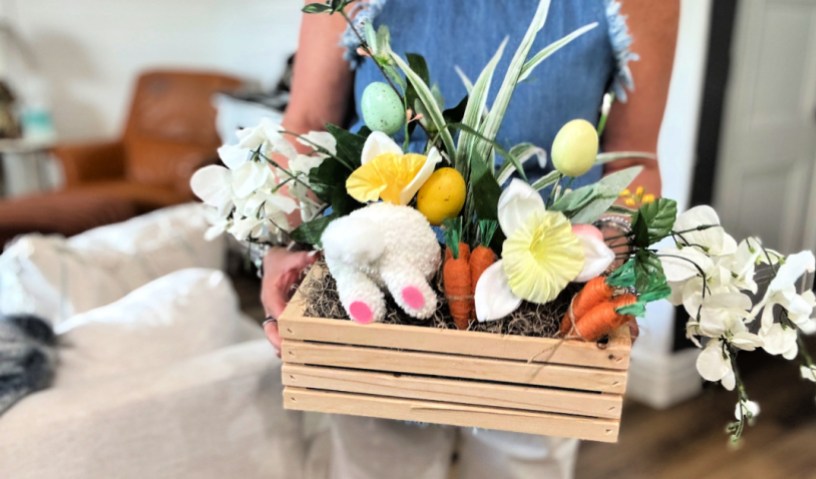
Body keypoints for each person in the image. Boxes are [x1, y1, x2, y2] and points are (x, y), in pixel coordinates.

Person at [261, 1, 679, 477]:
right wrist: (280, 244)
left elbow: (635, 160)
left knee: (524, 464)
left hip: (544, 299)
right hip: (375, 284)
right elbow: (309, 122)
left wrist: (616, 273)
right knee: (378, 463)